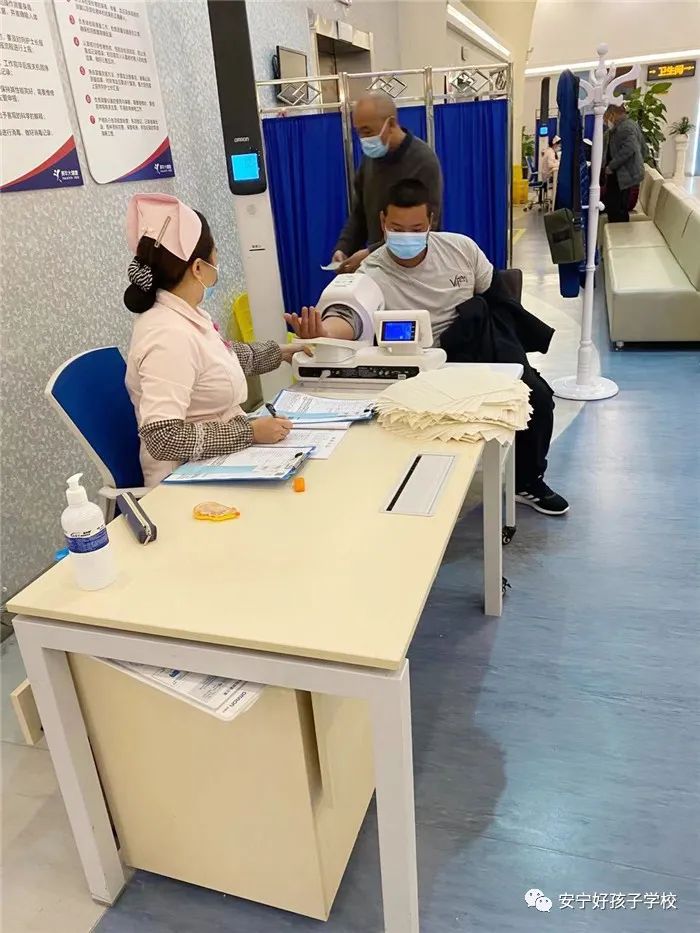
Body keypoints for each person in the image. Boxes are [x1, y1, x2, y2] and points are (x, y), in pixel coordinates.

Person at [288, 179, 569, 516]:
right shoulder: (371, 272)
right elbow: (349, 318)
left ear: (431, 222)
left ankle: (527, 481)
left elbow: (499, 299)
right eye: (397, 229)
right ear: (383, 222)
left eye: (416, 228)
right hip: (414, 364)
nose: (406, 237)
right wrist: (323, 332)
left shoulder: (461, 250)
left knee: (537, 397)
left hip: (473, 349)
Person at [124, 193, 300, 486]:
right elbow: (162, 437)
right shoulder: (168, 337)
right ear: (198, 268)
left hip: (218, 461)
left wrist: (282, 353)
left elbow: (217, 361)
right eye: (215, 252)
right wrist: (250, 433)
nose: (218, 259)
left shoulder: (183, 314)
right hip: (185, 479)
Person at [332, 92, 443, 274]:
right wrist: (344, 248)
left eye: (367, 131)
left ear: (391, 124)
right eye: (358, 132)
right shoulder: (369, 160)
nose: (363, 139)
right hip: (378, 268)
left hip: (416, 266)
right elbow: (360, 214)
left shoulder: (423, 161)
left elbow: (426, 227)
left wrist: (371, 253)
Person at [602, 104, 645, 223]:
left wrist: (611, 166)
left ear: (612, 114)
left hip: (622, 176)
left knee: (617, 210)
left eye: (606, 118)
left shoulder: (625, 127)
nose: (606, 122)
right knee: (616, 208)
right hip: (622, 175)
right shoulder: (629, 125)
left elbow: (629, 148)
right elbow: (643, 148)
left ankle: (618, 232)